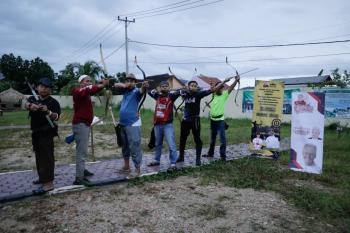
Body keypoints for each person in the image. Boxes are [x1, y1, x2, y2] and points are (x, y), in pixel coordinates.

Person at [25, 77, 61, 194]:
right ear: (37, 87)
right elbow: (24, 104)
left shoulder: (53, 102)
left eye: (47, 87)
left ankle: (49, 184)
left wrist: (48, 111)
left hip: (47, 133)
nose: (44, 89)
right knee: (39, 157)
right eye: (42, 86)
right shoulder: (32, 98)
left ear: (50, 90)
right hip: (36, 133)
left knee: (47, 158)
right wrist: (31, 106)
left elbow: (57, 117)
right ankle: (42, 178)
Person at [72, 75, 108, 186]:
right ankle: (79, 178)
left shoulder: (85, 93)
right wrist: (102, 85)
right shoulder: (77, 90)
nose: (89, 82)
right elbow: (90, 88)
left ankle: (82, 170)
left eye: (90, 81)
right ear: (81, 82)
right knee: (81, 152)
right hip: (80, 124)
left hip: (85, 124)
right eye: (86, 81)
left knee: (83, 150)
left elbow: (91, 89)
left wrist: (101, 85)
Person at [178, 80, 223, 166]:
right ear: (188, 86)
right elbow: (178, 94)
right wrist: (182, 90)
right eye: (192, 85)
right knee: (182, 139)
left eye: (195, 86)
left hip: (195, 120)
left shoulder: (198, 94)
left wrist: (223, 83)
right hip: (185, 120)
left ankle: (198, 159)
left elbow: (211, 90)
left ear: (197, 87)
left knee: (197, 139)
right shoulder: (185, 94)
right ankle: (181, 157)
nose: (193, 87)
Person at [114, 73, 149, 176]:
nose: (129, 82)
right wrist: (124, 85)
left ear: (135, 82)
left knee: (134, 146)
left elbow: (142, 90)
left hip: (133, 123)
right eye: (127, 80)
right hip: (123, 123)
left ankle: (137, 169)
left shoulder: (136, 92)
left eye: (132, 81)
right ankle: (126, 166)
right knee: (125, 146)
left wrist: (144, 86)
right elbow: (116, 84)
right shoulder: (125, 91)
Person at [204, 75, 240, 161]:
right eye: (219, 87)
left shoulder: (224, 95)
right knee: (212, 139)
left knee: (222, 139)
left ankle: (223, 156)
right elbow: (213, 89)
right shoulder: (213, 94)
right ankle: (210, 154)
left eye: (222, 87)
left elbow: (231, 87)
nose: (221, 88)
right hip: (213, 120)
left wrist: (236, 81)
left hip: (220, 120)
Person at [147, 81, 180, 169]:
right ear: (160, 87)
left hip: (167, 124)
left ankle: (173, 163)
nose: (164, 87)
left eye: (166, 86)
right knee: (158, 143)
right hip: (157, 124)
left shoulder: (171, 96)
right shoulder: (157, 95)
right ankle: (157, 160)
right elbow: (149, 91)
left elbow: (180, 91)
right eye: (163, 86)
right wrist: (156, 90)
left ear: (169, 88)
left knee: (171, 144)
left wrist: (183, 88)